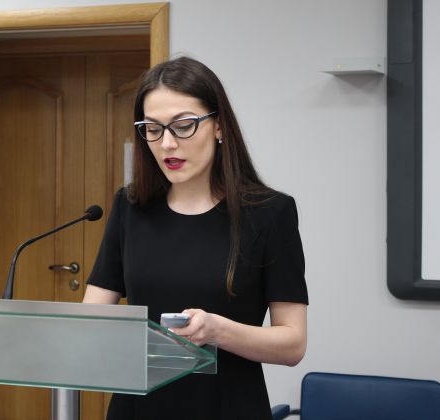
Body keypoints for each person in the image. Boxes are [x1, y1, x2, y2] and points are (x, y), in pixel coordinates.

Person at [83, 56, 308, 420]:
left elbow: (293, 343)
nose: (167, 143)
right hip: (138, 409)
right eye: (152, 129)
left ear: (219, 126)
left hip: (228, 407)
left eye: (183, 126)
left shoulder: (269, 213)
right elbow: (91, 320)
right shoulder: (130, 207)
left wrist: (217, 330)